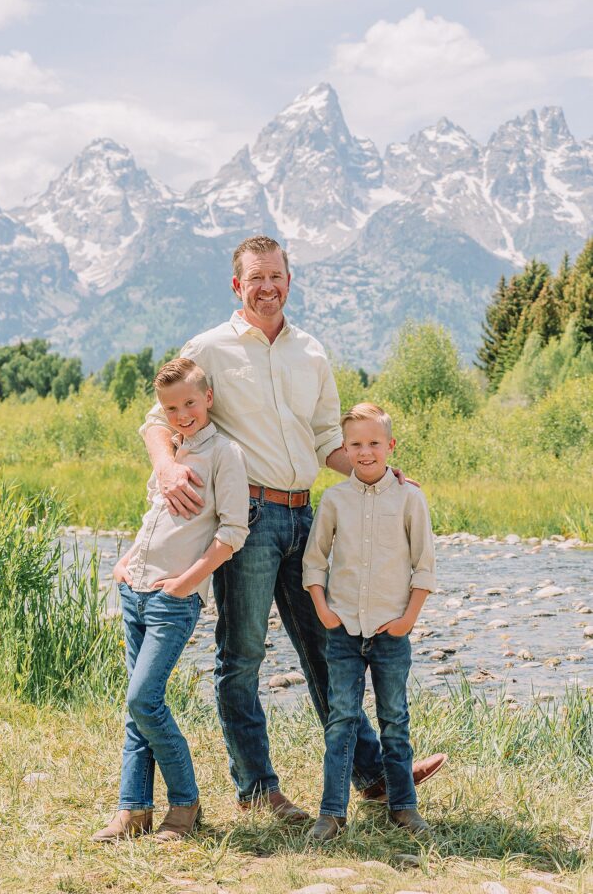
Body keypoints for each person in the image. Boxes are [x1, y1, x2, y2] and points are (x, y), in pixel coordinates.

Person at [140, 235, 446, 819]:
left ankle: (373, 775)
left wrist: (372, 469)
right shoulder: (209, 348)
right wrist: (167, 462)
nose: (268, 287)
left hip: (304, 516)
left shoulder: (311, 352)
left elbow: (329, 439)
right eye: (256, 277)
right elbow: (159, 420)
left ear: (289, 279)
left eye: (276, 275)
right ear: (238, 285)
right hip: (245, 521)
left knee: (330, 648)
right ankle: (259, 790)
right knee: (243, 656)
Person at [92, 358, 249, 843]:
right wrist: (126, 561)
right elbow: (156, 517)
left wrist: (187, 583)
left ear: (208, 399)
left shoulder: (224, 453)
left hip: (172, 599)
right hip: (134, 588)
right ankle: (132, 809)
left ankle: (185, 803)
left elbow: (232, 533)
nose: (181, 414)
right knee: (135, 707)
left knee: (145, 698)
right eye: (170, 408)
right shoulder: (173, 453)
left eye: (188, 403)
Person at [303, 402, 439, 840]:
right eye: (356, 444)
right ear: (344, 448)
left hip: (390, 631)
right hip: (342, 631)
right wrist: (323, 609)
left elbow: (424, 566)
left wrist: (407, 621)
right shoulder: (335, 499)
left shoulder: (409, 498)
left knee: (394, 720)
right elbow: (315, 560)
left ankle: (403, 807)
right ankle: (331, 814)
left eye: (374, 443)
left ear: (390, 446)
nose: (365, 452)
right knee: (341, 720)